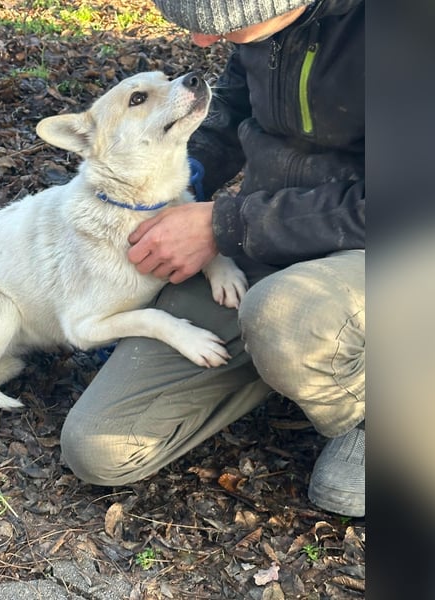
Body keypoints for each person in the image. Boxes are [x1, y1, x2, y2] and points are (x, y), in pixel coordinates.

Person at [60, 0, 365, 517]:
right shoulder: (268, 23)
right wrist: (170, 186)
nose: (204, 42)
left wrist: (223, 224)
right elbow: (229, 111)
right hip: (266, 242)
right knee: (100, 448)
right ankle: (292, 359)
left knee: (285, 317)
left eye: (221, 23)